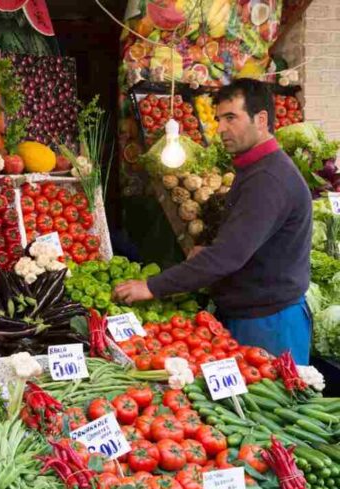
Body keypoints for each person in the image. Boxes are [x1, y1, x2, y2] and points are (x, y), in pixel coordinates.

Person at [114, 78, 313, 364]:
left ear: (261, 119)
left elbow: (228, 257)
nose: (220, 128)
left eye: (231, 118)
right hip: (255, 314)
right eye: (219, 119)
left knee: (271, 405)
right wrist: (208, 252)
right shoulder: (256, 169)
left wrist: (152, 286)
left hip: (270, 324)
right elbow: (246, 242)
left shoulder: (268, 180)